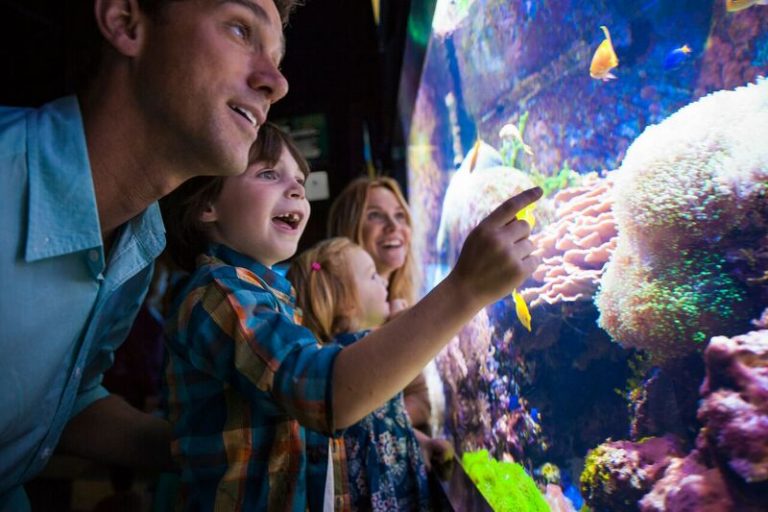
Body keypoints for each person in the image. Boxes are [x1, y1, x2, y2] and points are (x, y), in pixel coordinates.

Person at [0, 0, 295, 509]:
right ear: (125, 22)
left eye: (277, 57)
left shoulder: (140, 241)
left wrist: (223, 449)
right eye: (241, 29)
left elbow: (65, 402)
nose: (277, 82)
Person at [161, 119, 543, 510]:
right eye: (269, 174)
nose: (296, 189)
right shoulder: (220, 294)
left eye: (299, 179)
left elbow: (301, 431)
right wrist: (466, 289)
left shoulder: (268, 294)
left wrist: (410, 443)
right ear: (207, 204)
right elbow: (325, 395)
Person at [289, 237, 452, 511]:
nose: (384, 281)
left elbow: (378, 425)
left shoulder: (335, 357)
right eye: (373, 275)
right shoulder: (362, 351)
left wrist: (420, 443)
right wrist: (403, 326)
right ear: (347, 304)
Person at [327, 177, 431, 431]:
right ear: (349, 227)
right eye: (375, 215)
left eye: (400, 215)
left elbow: (422, 402)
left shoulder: (401, 303)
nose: (394, 226)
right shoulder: (329, 313)